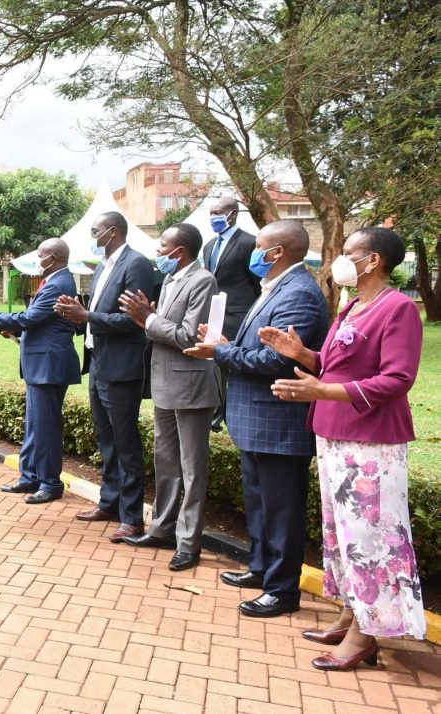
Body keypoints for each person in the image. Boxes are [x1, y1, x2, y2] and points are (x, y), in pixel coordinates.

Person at [260, 226, 425, 670]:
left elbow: (397, 379)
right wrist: (303, 355)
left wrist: (322, 392)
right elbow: (334, 368)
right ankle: (353, 609)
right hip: (334, 434)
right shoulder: (352, 307)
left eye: (350, 252)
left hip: (371, 440)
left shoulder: (399, 308)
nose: (340, 258)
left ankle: (367, 634)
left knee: (370, 535)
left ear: (373, 261)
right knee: (343, 534)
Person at [185, 220, 329, 617]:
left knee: (282, 509)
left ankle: (282, 590)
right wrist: (228, 345)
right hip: (257, 421)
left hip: (278, 423)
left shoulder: (298, 293)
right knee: (261, 504)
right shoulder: (276, 287)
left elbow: (278, 359)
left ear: (277, 252)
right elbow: (259, 348)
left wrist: (220, 353)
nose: (251, 252)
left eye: (259, 246)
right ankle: (262, 568)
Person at [118, 224, 220, 571]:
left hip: (191, 387)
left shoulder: (203, 281)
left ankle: (189, 542)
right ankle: (162, 529)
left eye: (163, 246)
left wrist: (148, 319)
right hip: (164, 384)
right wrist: (145, 318)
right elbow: (161, 329)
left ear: (180, 251)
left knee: (192, 469)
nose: (157, 251)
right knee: (166, 463)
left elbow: (189, 336)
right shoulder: (172, 280)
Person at [54, 212, 154, 542]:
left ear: (113, 232)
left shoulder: (136, 264)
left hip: (122, 366)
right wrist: (76, 315)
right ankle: (109, 502)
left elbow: (134, 321)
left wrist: (88, 315)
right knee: (106, 439)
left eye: (95, 230)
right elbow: (97, 314)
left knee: (126, 443)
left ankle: (132, 517)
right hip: (98, 362)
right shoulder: (102, 266)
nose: (92, 235)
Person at [0, 238, 79, 505]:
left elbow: (31, 319)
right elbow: (38, 321)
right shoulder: (55, 281)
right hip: (40, 363)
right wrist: (15, 330)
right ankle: (30, 476)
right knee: (35, 425)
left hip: (49, 365)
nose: (38, 259)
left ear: (54, 258)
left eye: (41, 255)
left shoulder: (59, 283)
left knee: (46, 426)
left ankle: (50, 482)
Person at [203, 197, 261, 431]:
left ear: (232, 214)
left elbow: (257, 283)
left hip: (239, 315)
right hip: (214, 315)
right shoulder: (208, 246)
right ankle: (215, 415)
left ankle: (234, 414)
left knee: (235, 366)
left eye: (217, 212)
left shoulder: (250, 243)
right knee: (213, 365)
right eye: (211, 213)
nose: (212, 217)